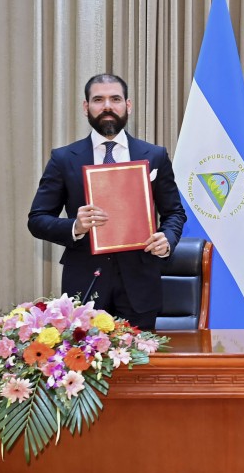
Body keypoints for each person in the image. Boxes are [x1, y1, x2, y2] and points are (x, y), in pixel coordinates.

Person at [28, 73, 186, 330]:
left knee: (140, 367)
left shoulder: (155, 156)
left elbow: (175, 213)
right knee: (85, 368)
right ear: (85, 107)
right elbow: (37, 219)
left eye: (115, 99)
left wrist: (167, 238)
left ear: (128, 105)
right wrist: (75, 227)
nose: (107, 106)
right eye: (98, 100)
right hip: (85, 286)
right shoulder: (63, 158)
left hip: (140, 286)